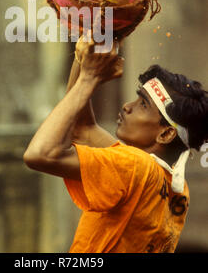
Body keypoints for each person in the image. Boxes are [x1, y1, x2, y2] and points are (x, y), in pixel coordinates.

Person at [24, 37, 208, 253]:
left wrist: (88, 78)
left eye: (143, 104)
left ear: (166, 134)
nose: (127, 106)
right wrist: (83, 60)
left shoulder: (135, 166)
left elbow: (39, 154)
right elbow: (82, 128)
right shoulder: (176, 186)